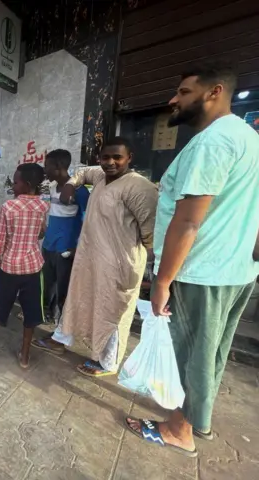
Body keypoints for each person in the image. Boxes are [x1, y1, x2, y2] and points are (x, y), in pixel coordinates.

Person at [125, 66, 259, 456]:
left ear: (214, 92)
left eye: (183, 92)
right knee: (211, 351)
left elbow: (188, 220)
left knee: (192, 354)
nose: (173, 99)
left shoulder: (213, 143)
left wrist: (163, 281)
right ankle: (193, 417)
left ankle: (180, 429)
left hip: (201, 271)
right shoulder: (249, 138)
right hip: (234, 270)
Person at [44, 137, 157, 376]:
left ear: (130, 158)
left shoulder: (139, 187)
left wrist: (148, 266)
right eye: (106, 157)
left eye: (118, 157)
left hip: (119, 263)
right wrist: (70, 184)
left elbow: (151, 233)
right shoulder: (100, 176)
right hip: (90, 258)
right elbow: (83, 173)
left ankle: (108, 363)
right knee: (78, 298)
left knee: (113, 312)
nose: (111, 162)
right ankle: (62, 339)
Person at [0, 164, 49, 368]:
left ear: (26, 184)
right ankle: (24, 357)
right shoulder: (42, 206)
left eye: (15, 181)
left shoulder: (9, 207)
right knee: (30, 314)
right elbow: (41, 233)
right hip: (33, 268)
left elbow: (0, 241)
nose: (13, 185)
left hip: (10, 267)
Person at [31, 149, 90, 351]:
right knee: (50, 289)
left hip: (65, 250)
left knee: (65, 294)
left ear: (58, 167)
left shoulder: (80, 191)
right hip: (49, 246)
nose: (45, 170)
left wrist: (76, 248)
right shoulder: (54, 188)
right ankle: (56, 328)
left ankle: (62, 339)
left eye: (47, 166)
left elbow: (87, 222)